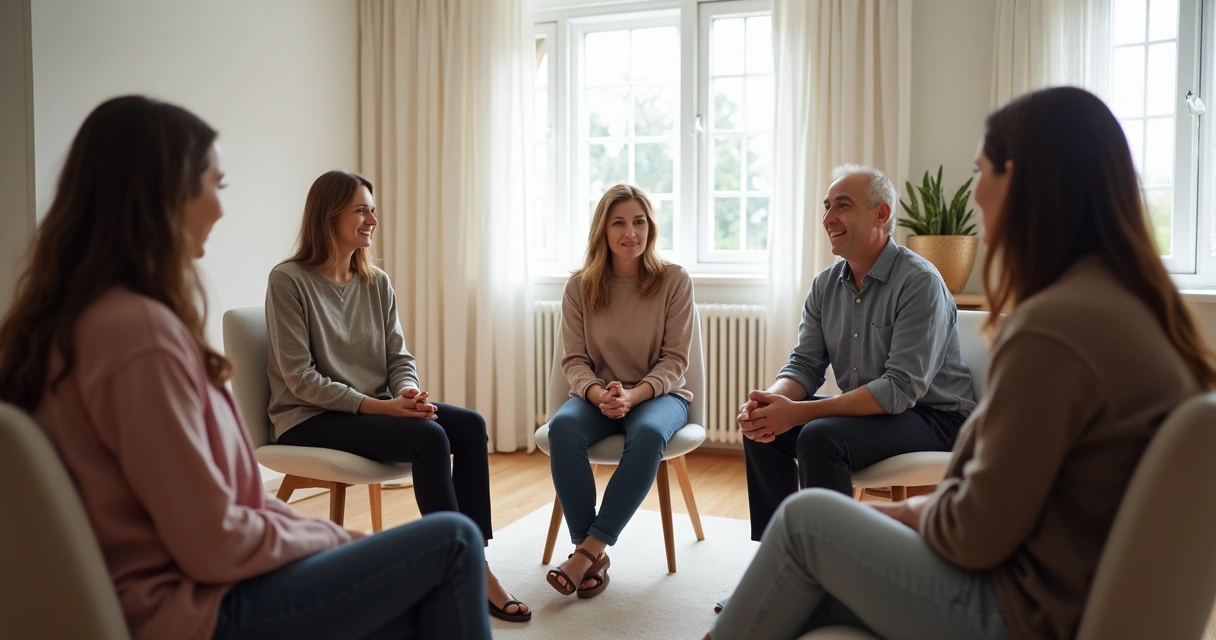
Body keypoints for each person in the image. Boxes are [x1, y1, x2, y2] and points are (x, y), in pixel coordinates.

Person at [708, 86, 1216, 640]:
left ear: (1023, 180)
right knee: (800, 578)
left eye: (982, 173)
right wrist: (782, 403)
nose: (975, 198)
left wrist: (886, 517)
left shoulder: (1050, 328)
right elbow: (1016, 499)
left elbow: (977, 531)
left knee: (806, 522)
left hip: (1017, 608)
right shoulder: (1135, 308)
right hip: (1061, 592)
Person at [0, 96, 492, 640]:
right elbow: (214, 539)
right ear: (162, 194)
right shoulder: (139, 336)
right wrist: (337, 541)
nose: (219, 208)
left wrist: (337, 538)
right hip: (197, 604)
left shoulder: (69, 321)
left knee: (428, 573)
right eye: (216, 185)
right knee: (452, 543)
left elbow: (225, 509)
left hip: (188, 584)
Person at [264, 170, 529, 622]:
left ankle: (473, 556)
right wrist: (381, 406)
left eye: (373, 209)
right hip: (309, 416)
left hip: (371, 406)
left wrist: (407, 392)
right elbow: (299, 379)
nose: (372, 219)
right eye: (361, 210)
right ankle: (456, 567)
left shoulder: (375, 281)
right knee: (428, 438)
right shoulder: (289, 280)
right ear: (329, 216)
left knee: (469, 427)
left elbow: (398, 356)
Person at [738, 163, 976, 541]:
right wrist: (773, 402)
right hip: (872, 413)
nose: (828, 217)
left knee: (819, 437)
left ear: (881, 214)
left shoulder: (920, 282)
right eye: (827, 206)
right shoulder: (825, 285)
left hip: (936, 418)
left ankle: (832, 579)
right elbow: (804, 365)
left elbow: (899, 389)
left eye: (842, 206)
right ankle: (777, 563)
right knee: (762, 429)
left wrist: (799, 412)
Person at [544, 183, 694, 598]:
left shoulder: (674, 280)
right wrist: (598, 395)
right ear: (603, 231)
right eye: (620, 223)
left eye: (640, 222)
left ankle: (588, 550)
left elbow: (675, 361)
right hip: (599, 398)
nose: (632, 232)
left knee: (646, 434)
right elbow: (574, 360)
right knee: (562, 429)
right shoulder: (579, 287)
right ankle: (589, 555)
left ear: (651, 227)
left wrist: (633, 395)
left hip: (661, 397)